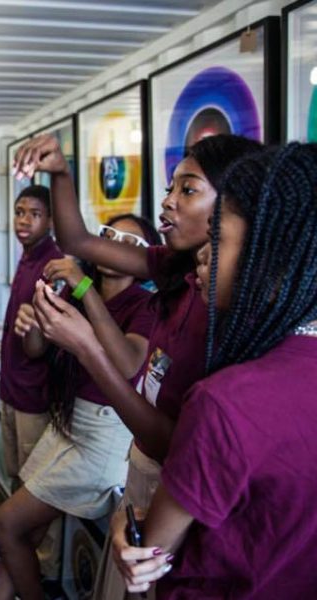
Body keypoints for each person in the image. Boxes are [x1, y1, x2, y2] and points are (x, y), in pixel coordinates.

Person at [13, 133, 262, 599]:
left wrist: (86, 347)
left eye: (188, 189)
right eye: (171, 187)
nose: (168, 201)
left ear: (234, 205)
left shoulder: (226, 308)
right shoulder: (179, 270)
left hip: (176, 490)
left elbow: (171, 441)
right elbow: (78, 240)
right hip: (141, 468)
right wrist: (61, 171)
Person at [112, 143, 317, 598]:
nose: (204, 255)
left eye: (218, 239)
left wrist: (125, 526)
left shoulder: (226, 402)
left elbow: (153, 550)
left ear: (269, 256)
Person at [0, 214, 159, 600]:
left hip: (104, 434)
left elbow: (128, 363)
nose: (114, 245)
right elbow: (35, 349)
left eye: (129, 242)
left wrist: (83, 286)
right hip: (68, 421)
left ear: (147, 257)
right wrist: (35, 317)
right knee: (24, 533)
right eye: (109, 235)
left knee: (4, 524)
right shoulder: (78, 291)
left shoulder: (146, 305)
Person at [0, 184, 63, 484]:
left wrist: (34, 325)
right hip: (12, 387)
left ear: (50, 220)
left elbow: (41, 344)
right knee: (14, 474)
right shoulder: (28, 257)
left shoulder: (52, 265)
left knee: (32, 485)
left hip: (33, 395)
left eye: (34, 214)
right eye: (19, 212)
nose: (24, 220)